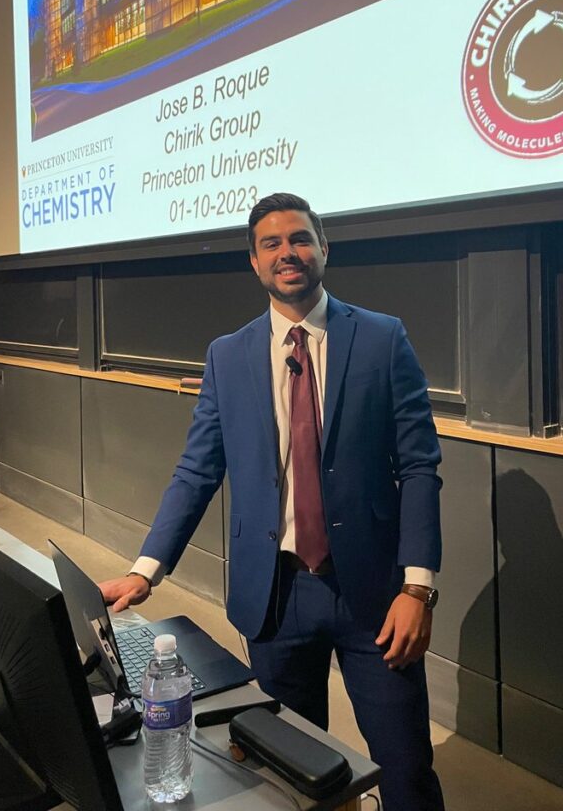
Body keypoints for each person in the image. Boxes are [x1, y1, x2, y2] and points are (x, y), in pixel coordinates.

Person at [101, 193, 444, 810]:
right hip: (276, 598)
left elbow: (420, 467)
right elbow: (197, 470)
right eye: (272, 243)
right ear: (255, 263)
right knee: (290, 770)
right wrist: (145, 567)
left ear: (323, 250)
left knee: (406, 768)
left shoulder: (382, 338)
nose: (288, 252)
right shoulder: (228, 356)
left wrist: (417, 588)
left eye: (300, 239)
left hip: (374, 595)